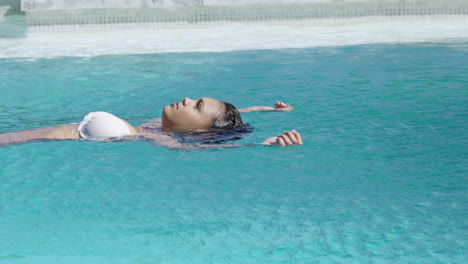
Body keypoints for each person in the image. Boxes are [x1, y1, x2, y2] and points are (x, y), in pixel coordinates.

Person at [0, 97, 302, 149]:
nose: (185, 99)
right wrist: (261, 109)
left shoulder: (160, 139)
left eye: (196, 106)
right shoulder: (154, 126)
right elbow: (226, 122)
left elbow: (213, 148)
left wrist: (264, 144)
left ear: (198, 131)